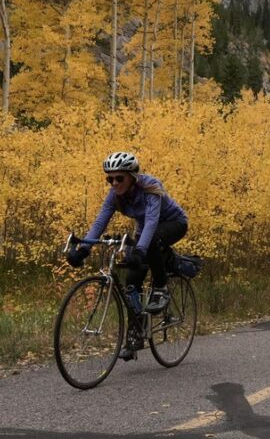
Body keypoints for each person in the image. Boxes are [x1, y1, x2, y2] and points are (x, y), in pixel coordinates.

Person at [65, 151, 189, 360]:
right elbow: (99, 223)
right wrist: (84, 249)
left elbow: (151, 221)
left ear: (132, 176)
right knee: (132, 282)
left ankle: (160, 287)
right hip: (146, 231)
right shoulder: (115, 196)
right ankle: (136, 334)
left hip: (173, 224)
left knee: (151, 244)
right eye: (110, 178)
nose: (114, 183)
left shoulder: (150, 187)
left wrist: (140, 250)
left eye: (119, 178)